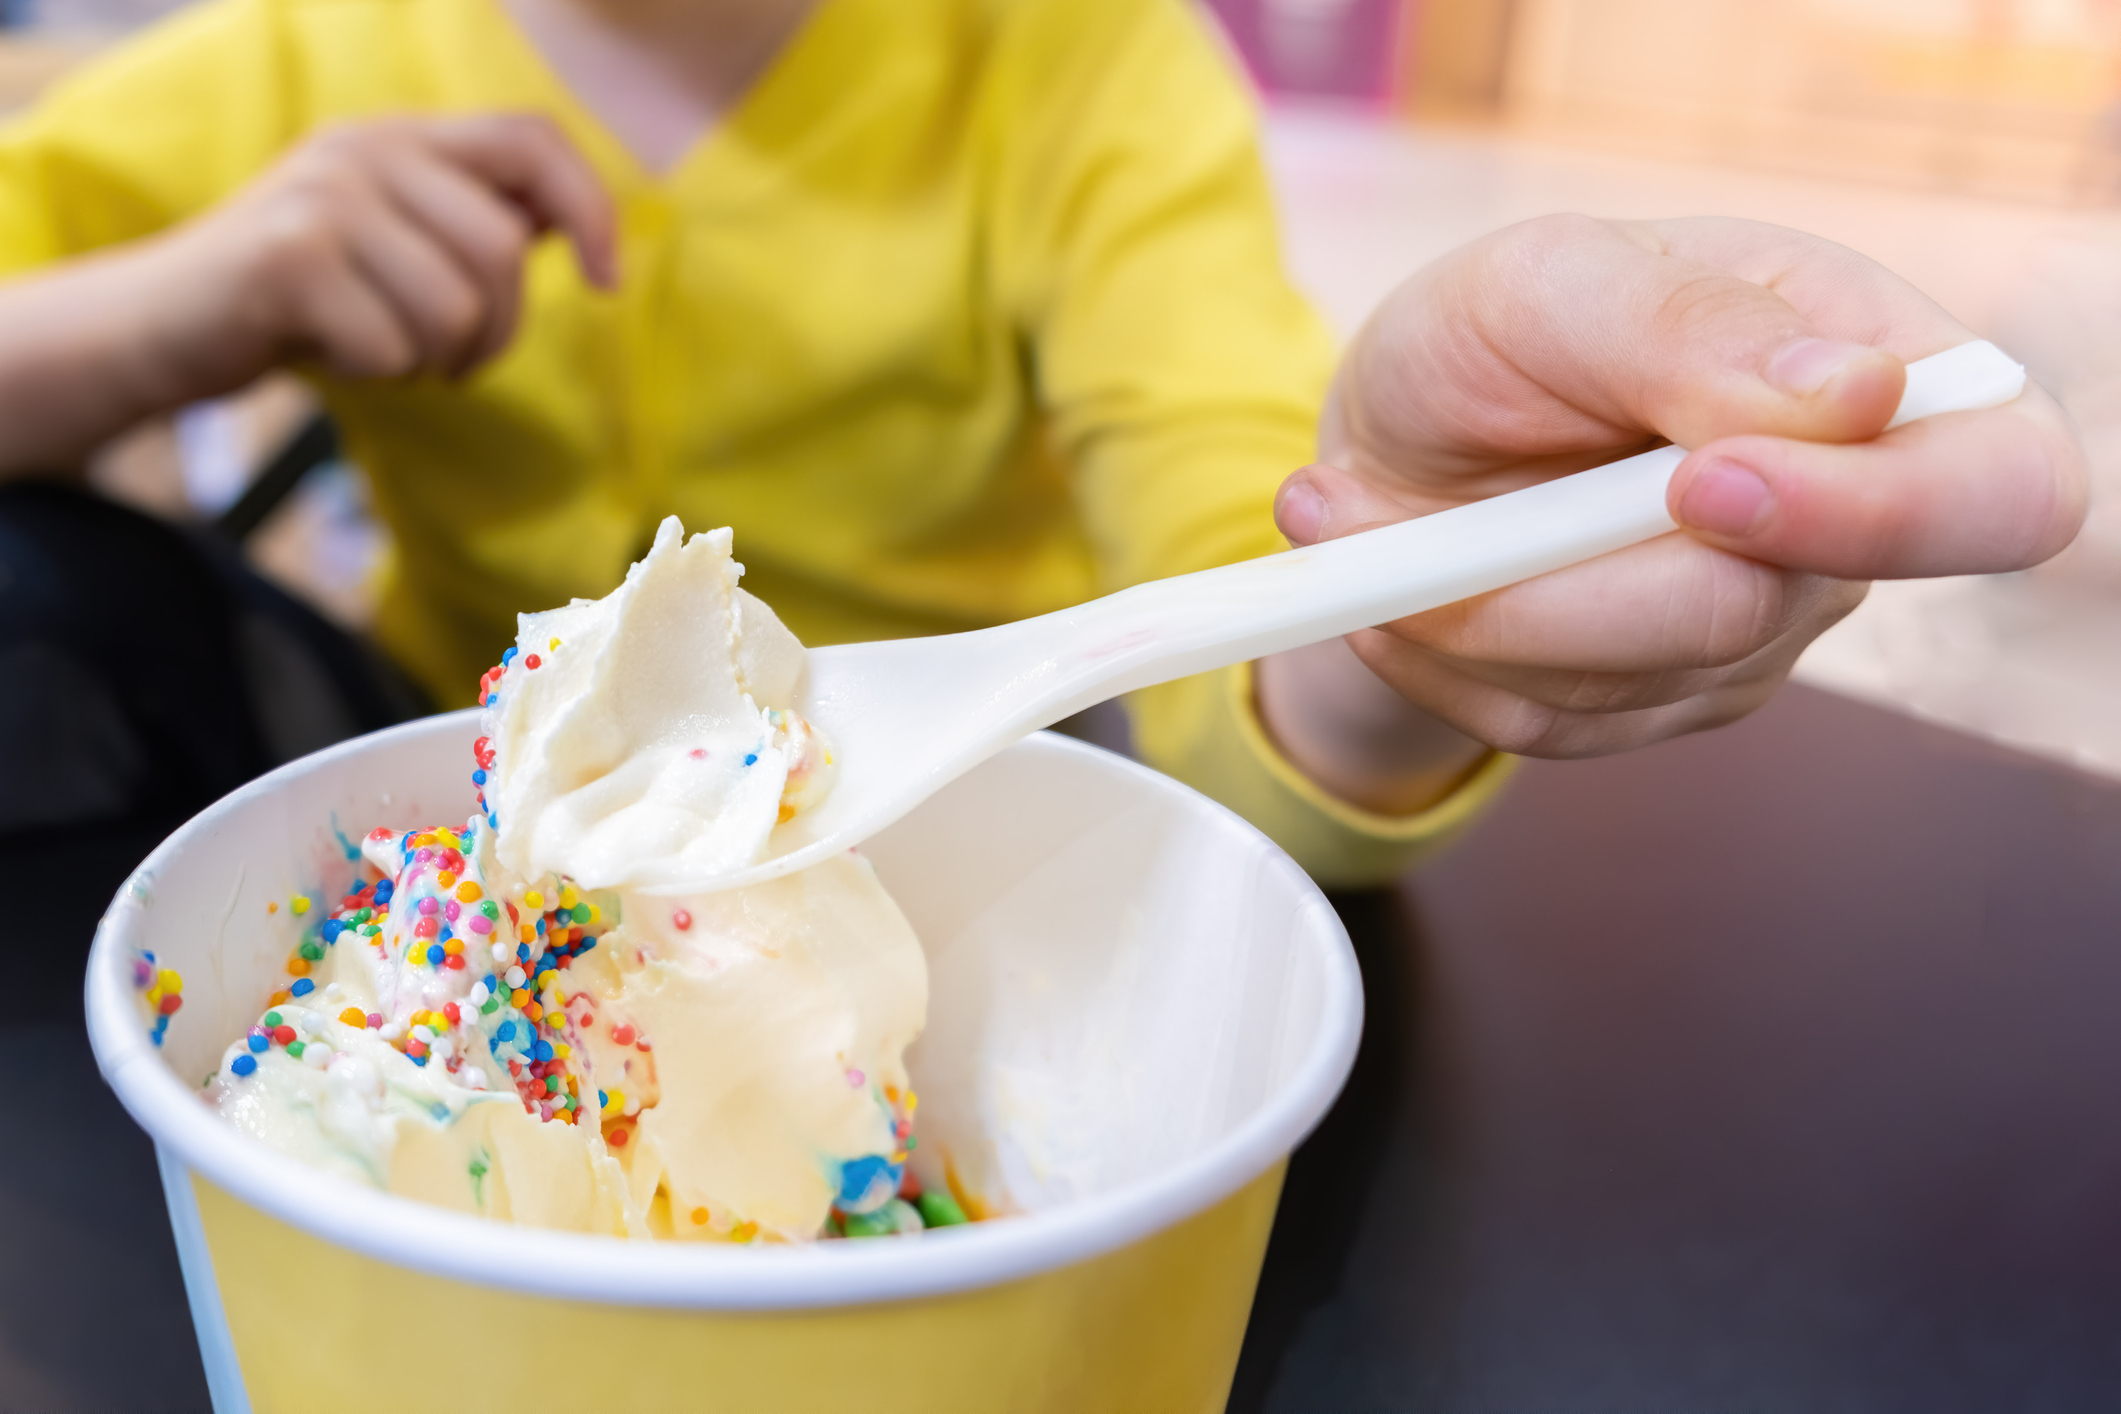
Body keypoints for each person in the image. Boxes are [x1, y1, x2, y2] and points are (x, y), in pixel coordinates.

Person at [0, 0, 2087, 999]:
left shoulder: (1070, 69)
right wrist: (179, 307)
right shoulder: (288, 61)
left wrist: (1396, 619)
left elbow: (1218, 543)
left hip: (971, 813)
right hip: (441, 799)